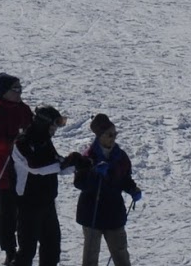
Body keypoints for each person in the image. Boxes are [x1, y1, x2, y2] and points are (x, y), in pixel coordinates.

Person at [8, 106, 81, 266]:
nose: (55, 130)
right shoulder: (22, 142)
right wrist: (63, 164)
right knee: (27, 251)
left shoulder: (45, 141)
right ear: (43, 123)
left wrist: (77, 165)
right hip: (28, 204)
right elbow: (36, 167)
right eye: (54, 125)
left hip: (47, 203)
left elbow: (56, 163)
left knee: (52, 249)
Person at [70, 114, 142, 266]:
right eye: (110, 134)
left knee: (121, 254)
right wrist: (94, 173)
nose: (113, 137)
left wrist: (132, 189)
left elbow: (124, 179)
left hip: (114, 212)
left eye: (115, 134)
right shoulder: (88, 157)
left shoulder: (121, 156)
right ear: (100, 136)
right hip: (92, 213)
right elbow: (79, 183)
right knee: (90, 257)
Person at [0, 74, 34, 266]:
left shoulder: (24, 109)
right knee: (9, 214)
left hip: (25, 171)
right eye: (15, 89)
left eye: (21, 88)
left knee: (24, 213)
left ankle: (20, 249)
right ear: (4, 92)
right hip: (5, 172)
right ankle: (10, 251)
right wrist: (9, 143)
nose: (20, 92)